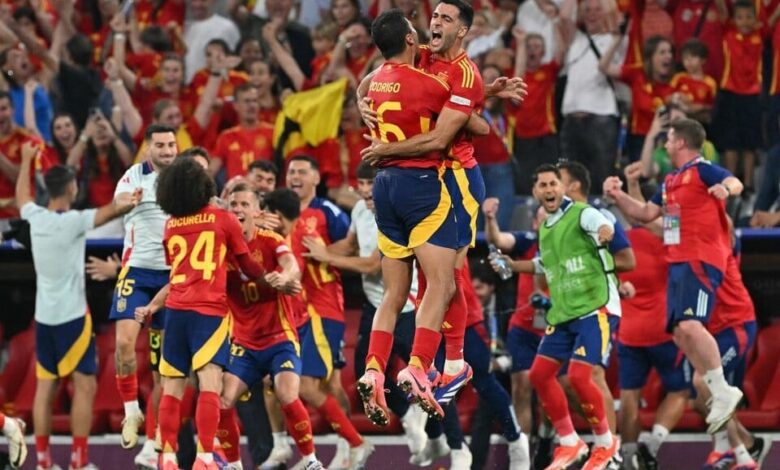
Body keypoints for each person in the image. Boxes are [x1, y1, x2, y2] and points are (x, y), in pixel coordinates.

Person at [359, 0, 497, 412]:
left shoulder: (466, 74)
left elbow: (459, 128)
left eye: (446, 18)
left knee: (444, 277)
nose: (435, 23)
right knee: (440, 281)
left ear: (463, 31)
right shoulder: (422, 58)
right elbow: (369, 82)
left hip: (455, 178)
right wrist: (360, 103)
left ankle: (449, 363)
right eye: (433, 16)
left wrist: (482, 98)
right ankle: (439, 364)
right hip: (424, 179)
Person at [604, 117, 745, 437]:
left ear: (681, 142)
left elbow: (734, 181)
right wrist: (618, 196)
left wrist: (726, 189)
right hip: (679, 260)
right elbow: (643, 215)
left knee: (691, 325)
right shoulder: (671, 182)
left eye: (668, 139)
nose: (665, 144)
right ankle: (718, 388)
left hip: (700, 258)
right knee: (682, 332)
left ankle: (722, 390)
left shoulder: (702, 169)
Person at [354, 8, 462, 423]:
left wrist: (364, 105)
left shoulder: (375, 81)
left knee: (394, 294)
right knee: (441, 284)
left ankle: (373, 369)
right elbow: (470, 125)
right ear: (412, 41)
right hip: (420, 186)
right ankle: (417, 366)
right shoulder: (429, 85)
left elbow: (362, 88)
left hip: (383, 190)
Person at [134, 157, 266, 470]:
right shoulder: (223, 218)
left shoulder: (170, 225)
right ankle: (205, 458)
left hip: (176, 311)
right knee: (209, 383)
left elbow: (177, 269)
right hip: (209, 311)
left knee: (172, 386)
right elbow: (248, 266)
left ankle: (165, 455)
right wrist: (266, 276)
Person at [16, 141, 141, 470]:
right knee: (85, 386)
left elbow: (22, 199)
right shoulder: (74, 221)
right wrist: (135, 196)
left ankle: (42, 462)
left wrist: (27, 161)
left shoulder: (36, 218)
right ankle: (78, 461)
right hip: (73, 318)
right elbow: (112, 210)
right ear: (71, 187)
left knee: (46, 387)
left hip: (44, 318)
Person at [493, 164, 621, 469]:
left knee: (579, 375)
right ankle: (569, 441)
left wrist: (605, 232)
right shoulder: (547, 227)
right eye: (543, 185)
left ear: (563, 188)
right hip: (564, 313)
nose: (549, 189)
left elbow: (603, 225)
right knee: (539, 375)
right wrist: (513, 265)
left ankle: (605, 444)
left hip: (595, 307)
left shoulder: (582, 213)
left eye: (554, 183)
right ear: (535, 192)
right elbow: (543, 265)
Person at [302, 162, 428, 456]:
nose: (366, 190)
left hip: (405, 305)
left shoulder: (396, 213)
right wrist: (308, 251)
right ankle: (408, 415)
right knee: (365, 373)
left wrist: (325, 258)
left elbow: (373, 264)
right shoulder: (360, 210)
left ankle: (443, 439)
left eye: (372, 184)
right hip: (375, 304)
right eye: (362, 184)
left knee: (418, 373)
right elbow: (349, 245)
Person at [263, 188, 374, 470]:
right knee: (280, 385)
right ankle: (320, 450)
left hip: (319, 314)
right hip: (298, 316)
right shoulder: (279, 236)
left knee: (311, 386)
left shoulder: (303, 229)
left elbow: (296, 271)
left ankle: (354, 443)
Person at [217, 183, 326, 470]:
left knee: (288, 394)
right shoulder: (220, 248)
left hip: (280, 338)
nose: (238, 209)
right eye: (233, 205)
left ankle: (311, 460)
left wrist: (284, 276)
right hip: (244, 342)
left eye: (244, 204)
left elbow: (291, 263)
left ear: (257, 211)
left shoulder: (269, 239)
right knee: (223, 401)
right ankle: (233, 465)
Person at [109, 124, 177, 460]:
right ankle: (130, 409)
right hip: (136, 272)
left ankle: (159, 437)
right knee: (122, 343)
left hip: (173, 276)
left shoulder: (183, 178)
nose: (167, 151)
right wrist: (128, 202)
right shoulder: (135, 175)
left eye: (171, 145)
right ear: (149, 148)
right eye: (161, 145)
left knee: (164, 365)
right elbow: (119, 200)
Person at [711, 0, 763, 191]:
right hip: (729, 92)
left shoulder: (760, 34)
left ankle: (748, 185)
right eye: (740, 17)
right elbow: (722, 8)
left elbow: (772, 19)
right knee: (730, 142)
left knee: (750, 143)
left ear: (756, 19)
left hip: (752, 94)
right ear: (734, 19)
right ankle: (730, 183)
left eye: (749, 17)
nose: (744, 21)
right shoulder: (728, 32)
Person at [0, 90, 44, 228]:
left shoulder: (26, 140)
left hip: (16, 218)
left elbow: (22, 178)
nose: (0, 115)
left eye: (3, 109)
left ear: (13, 110)